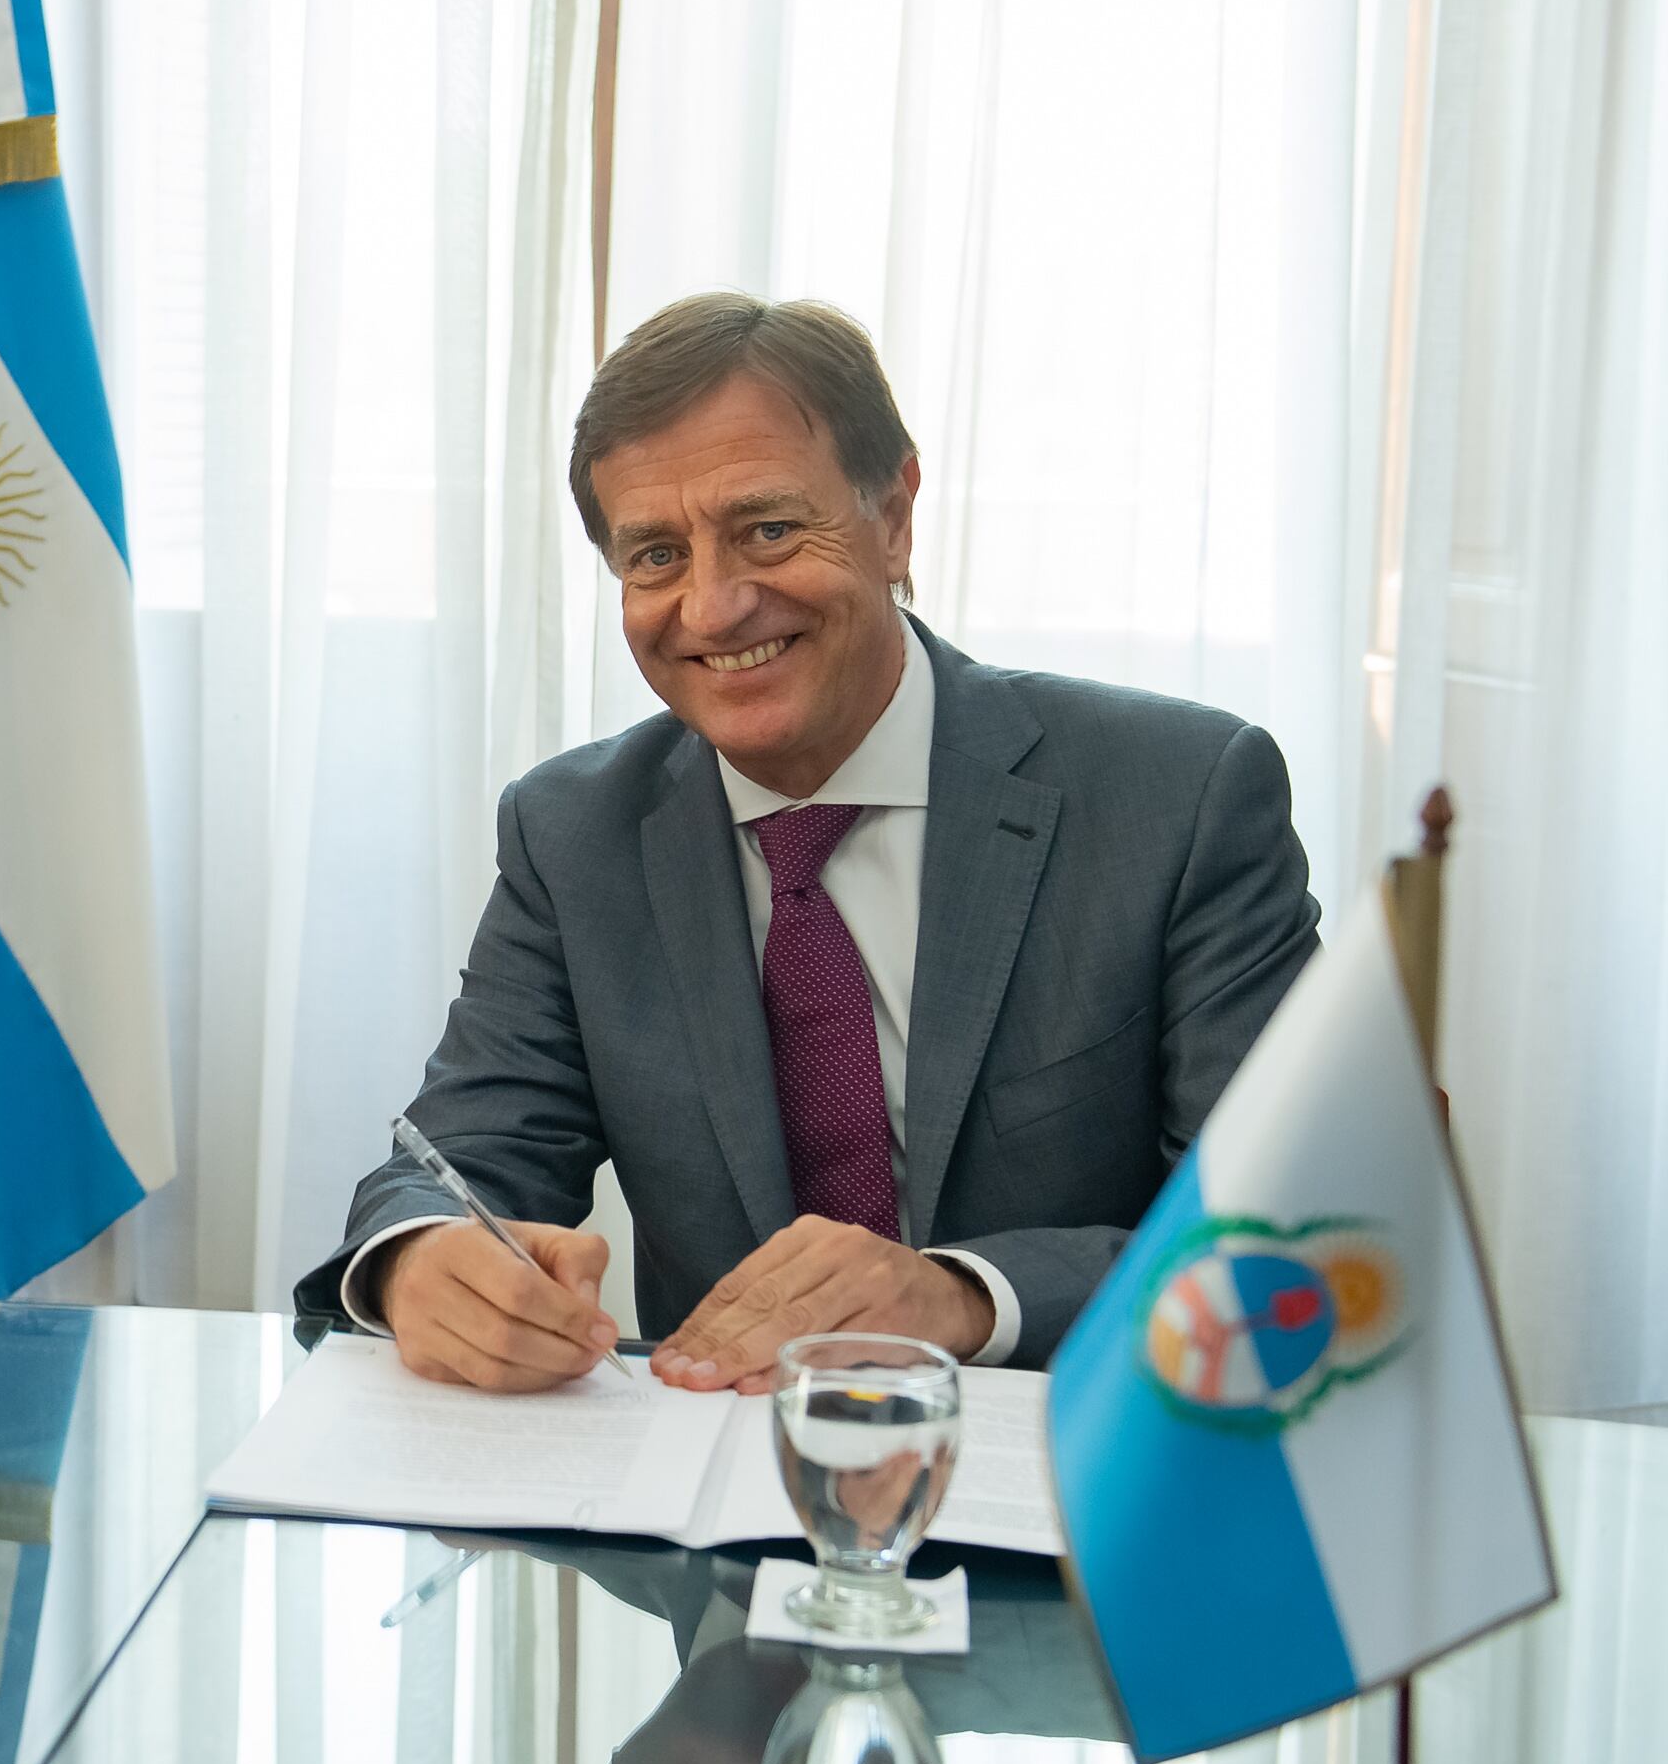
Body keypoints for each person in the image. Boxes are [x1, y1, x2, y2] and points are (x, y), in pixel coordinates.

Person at [294, 292, 1318, 1390]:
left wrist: (965, 1294)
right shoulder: (572, 833)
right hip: (715, 1497)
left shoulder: (1180, 797)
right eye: (654, 556)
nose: (715, 605)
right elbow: (454, 1160)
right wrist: (422, 1260)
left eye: (767, 529)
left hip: (1085, 1479)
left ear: (895, 515)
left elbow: (1289, 1230)